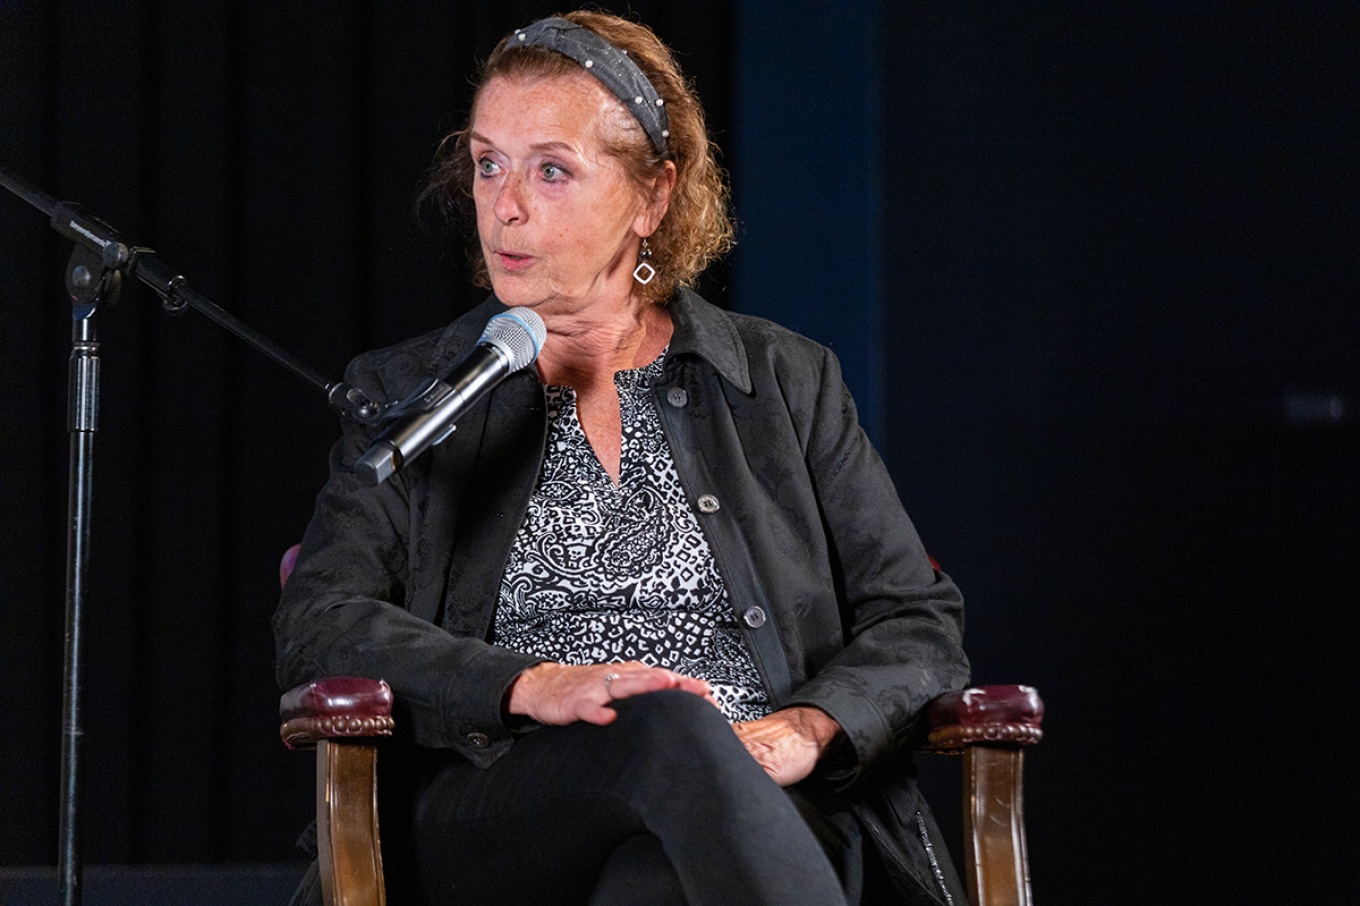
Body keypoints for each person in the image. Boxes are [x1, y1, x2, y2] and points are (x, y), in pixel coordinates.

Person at [275, 11, 969, 906]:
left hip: (757, 806)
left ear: (653, 197)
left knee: (652, 885)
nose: (506, 205)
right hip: (501, 809)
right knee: (667, 727)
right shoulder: (413, 389)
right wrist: (528, 683)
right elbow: (319, 617)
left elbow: (916, 617)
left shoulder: (784, 382)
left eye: (552, 169)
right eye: (489, 164)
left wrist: (808, 725)